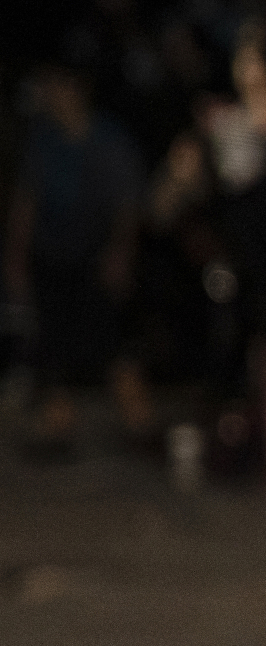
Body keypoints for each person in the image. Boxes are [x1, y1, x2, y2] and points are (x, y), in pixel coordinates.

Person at [8, 62, 150, 456]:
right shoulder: (43, 140)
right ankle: (59, 424)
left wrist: (120, 255)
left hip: (95, 253)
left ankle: (138, 421)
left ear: (77, 89)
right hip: (52, 254)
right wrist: (16, 258)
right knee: (51, 341)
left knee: (109, 337)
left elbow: (128, 206)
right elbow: (26, 202)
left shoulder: (108, 139)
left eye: (58, 86)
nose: (51, 94)